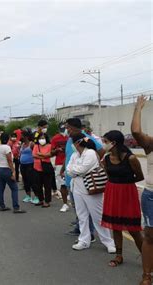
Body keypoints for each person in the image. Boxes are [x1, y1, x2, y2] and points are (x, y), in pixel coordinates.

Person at [66, 133, 115, 253]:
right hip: (77, 188)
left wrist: (74, 170)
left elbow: (81, 170)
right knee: (82, 216)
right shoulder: (75, 154)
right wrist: (74, 171)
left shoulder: (91, 153)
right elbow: (69, 170)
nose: (71, 144)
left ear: (78, 143)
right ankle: (84, 240)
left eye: (73, 142)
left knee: (97, 216)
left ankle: (108, 242)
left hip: (91, 188)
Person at [101, 130, 144, 267]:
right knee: (116, 226)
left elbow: (140, 176)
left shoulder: (130, 158)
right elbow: (108, 176)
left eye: (105, 141)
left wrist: (125, 182)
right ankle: (119, 255)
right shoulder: (107, 159)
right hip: (112, 192)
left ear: (113, 143)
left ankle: (147, 257)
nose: (103, 144)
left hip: (127, 193)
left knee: (133, 229)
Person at [62, 118, 100, 238]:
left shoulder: (85, 137)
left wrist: (92, 164)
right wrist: (63, 169)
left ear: (73, 127)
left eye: (67, 127)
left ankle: (90, 233)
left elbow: (101, 149)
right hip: (72, 179)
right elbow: (68, 155)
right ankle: (80, 228)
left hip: (84, 181)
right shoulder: (70, 139)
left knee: (87, 209)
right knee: (77, 207)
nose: (66, 130)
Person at [132, 95, 153, 285]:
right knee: (150, 236)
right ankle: (147, 275)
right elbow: (136, 131)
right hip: (151, 195)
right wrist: (138, 108)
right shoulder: (151, 143)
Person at [0, 133, 26, 213]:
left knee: (1, 187)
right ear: (8, 139)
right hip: (5, 169)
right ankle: (16, 207)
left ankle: (2, 206)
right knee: (14, 188)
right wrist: (13, 171)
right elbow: (9, 160)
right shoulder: (7, 147)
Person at [51, 123, 70, 212]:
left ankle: (70, 198)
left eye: (65, 129)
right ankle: (65, 204)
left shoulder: (71, 137)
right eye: (62, 130)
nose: (64, 131)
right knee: (62, 183)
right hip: (59, 162)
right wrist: (57, 150)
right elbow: (52, 152)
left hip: (71, 162)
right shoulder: (55, 138)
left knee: (72, 183)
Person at [32, 134, 54, 208]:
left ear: (46, 139)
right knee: (38, 185)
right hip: (36, 168)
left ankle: (47, 201)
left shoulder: (49, 146)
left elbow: (50, 155)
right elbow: (34, 155)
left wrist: (41, 154)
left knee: (47, 185)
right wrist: (44, 156)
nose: (42, 140)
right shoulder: (36, 146)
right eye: (40, 138)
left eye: (43, 138)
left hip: (46, 168)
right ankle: (41, 200)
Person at [20, 131, 36, 203]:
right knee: (25, 181)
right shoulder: (22, 144)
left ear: (26, 136)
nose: (21, 137)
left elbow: (35, 153)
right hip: (23, 165)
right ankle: (28, 196)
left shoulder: (31, 144)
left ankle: (36, 196)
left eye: (22, 136)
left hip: (30, 164)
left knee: (32, 181)